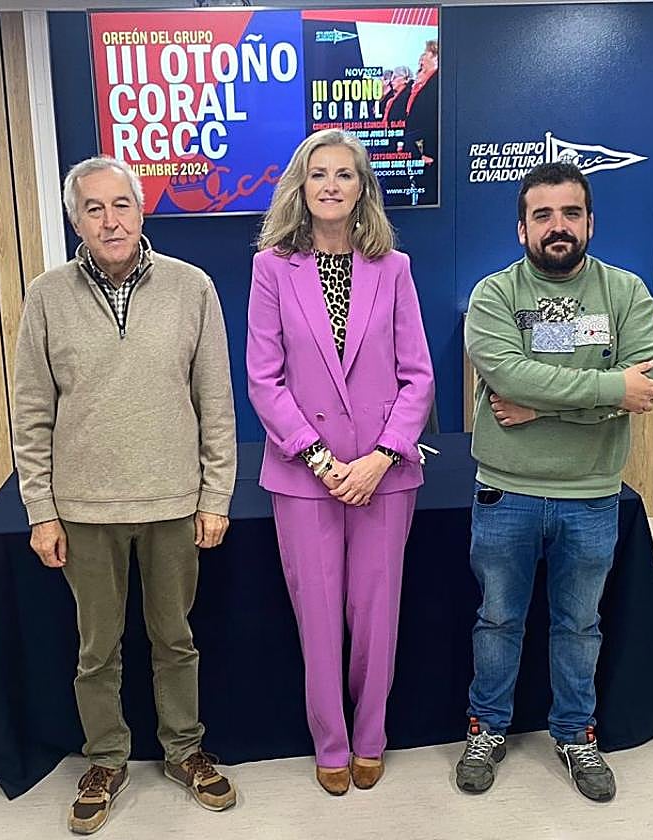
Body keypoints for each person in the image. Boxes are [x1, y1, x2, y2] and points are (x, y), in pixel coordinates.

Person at [12, 155, 238, 834]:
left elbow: (217, 403)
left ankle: (184, 750)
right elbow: (30, 411)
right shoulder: (45, 296)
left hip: (174, 502)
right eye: (93, 208)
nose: (109, 220)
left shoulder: (191, 287)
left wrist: (216, 494)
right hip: (84, 511)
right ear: (74, 218)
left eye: (120, 205)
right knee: (97, 649)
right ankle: (106, 757)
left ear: (142, 212)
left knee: (175, 639)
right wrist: (41, 510)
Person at [457, 161, 653, 802]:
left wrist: (542, 403)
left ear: (590, 222)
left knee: (579, 626)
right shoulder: (494, 296)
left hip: (592, 494)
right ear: (522, 227)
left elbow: (642, 387)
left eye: (570, 213)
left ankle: (575, 735)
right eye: (542, 215)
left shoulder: (627, 294)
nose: (558, 227)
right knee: (498, 621)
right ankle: (487, 728)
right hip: (506, 491)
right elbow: (510, 377)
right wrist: (605, 391)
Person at [246, 129, 435, 795]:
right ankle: (331, 742)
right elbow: (264, 380)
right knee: (319, 617)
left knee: (376, 614)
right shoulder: (272, 266)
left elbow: (418, 377)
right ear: (301, 186)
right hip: (305, 475)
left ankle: (371, 736)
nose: (330, 184)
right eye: (318, 173)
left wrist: (380, 458)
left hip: (384, 474)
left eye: (344, 174)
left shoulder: (395, 269)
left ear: (362, 189)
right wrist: (326, 461)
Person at [402, 41, 439, 198]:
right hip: (419, 152)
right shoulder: (428, 83)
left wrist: (428, 153)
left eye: (424, 55)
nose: (420, 61)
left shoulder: (438, 82)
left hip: (429, 155)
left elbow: (434, 120)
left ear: (434, 55)